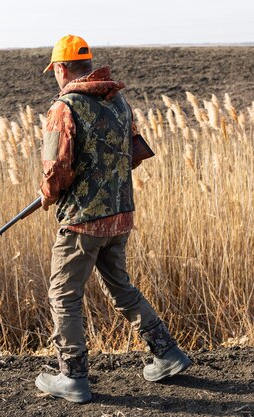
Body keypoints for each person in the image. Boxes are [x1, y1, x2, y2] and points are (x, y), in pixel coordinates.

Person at [35, 34, 192, 403]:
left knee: (64, 296)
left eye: (55, 70)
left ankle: (71, 376)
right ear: (88, 65)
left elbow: (57, 167)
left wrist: (48, 193)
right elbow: (135, 153)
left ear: (61, 68)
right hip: (119, 215)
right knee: (121, 287)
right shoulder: (119, 101)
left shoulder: (65, 107)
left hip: (83, 221)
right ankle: (166, 352)